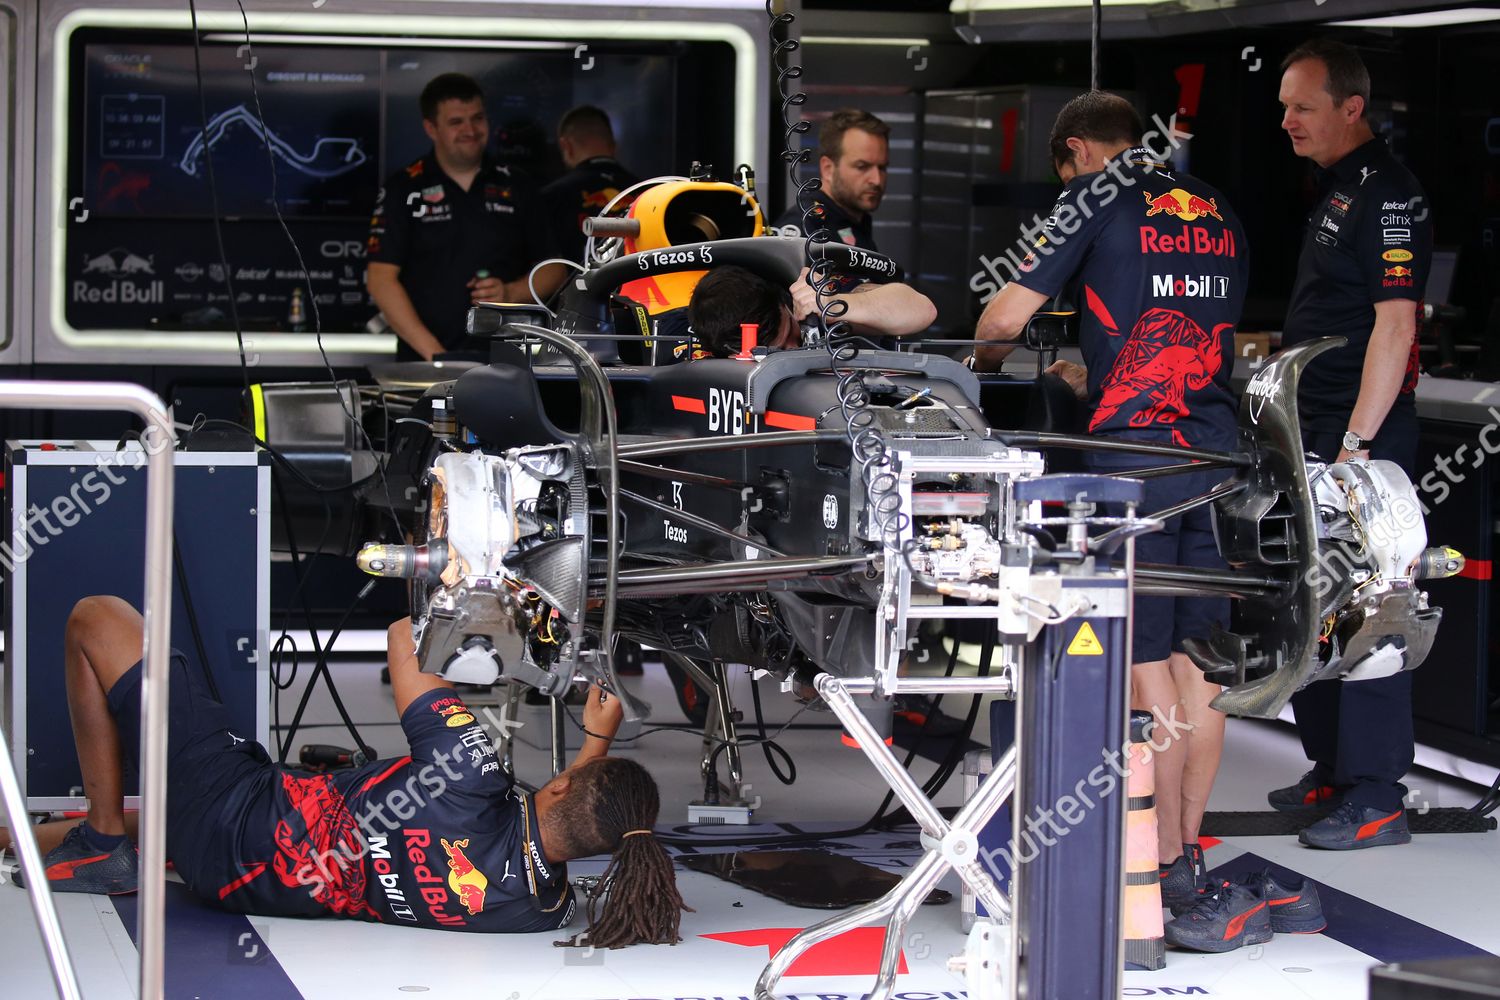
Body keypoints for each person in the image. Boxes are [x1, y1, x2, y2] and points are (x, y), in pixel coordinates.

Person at [973, 91, 1252, 949]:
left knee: (1141, 669)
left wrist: (984, 372)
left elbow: (1004, 316)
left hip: (1133, 462)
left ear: (1079, 153)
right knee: (1200, 665)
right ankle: (1185, 856)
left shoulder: (1091, 196)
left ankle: (1153, 858)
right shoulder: (1216, 204)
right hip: (1215, 454)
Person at [6, 596, 688, 946]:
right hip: (241, 880)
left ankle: (101, 842)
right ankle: (35, 838)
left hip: (234, 805)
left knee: (97, 619)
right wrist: (593, 753)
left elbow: (402, 636)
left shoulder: (470, 773)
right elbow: (570, 829)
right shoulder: (536, 911)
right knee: (149, 825)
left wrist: (492, 602)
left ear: (564, 782)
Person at [1270, 39, 1432, 851]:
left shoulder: (1389, 194)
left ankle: (1376, 794)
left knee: (1367, 609)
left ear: (1350, 107)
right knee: (1309, 604)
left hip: (1357, 438)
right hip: (1314, 426)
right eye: (1284, 106)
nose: (1287, 120)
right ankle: (1332, 766)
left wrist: (1357, 447)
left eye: (1302, 105)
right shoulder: (1335, 187)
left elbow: (1396, 324)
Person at [367, 73, 556, 361]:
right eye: (456, 122)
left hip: (509, 364)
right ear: (431, 128)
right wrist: (438, 358)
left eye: (477, 118)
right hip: (426, 364)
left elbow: (555, 269)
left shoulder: (518, 185)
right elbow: (380, 279)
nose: (470, 130)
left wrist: (510, 291)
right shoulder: (403, 188)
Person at [685, 264, 936, 358]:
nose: (793, 350)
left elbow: (922, 309)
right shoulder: (686, 337)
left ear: (784, 303)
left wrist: (832, 304)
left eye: (791, 334)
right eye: (778, 351)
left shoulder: (803, 295)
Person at [773, 109, 889, 253]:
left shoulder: (856, 222)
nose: (876, 180)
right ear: (828, 169)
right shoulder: (805, 225)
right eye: (862, 167)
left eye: (882, 168)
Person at [542, 105, 640, 264]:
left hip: (580, 286)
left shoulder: (552, 197)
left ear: (566, 146)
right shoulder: (647, 191)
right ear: (613, 146)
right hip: (639, 286)